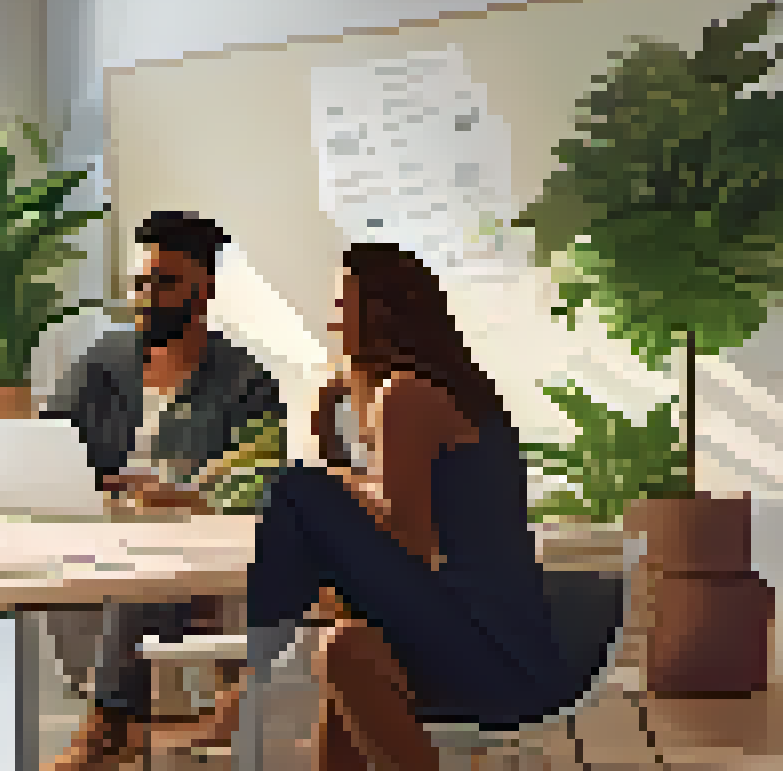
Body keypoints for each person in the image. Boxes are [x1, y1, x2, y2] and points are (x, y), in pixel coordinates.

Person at [160, 242, 587, 769]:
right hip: (507, 649)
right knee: (348, 648)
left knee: (298, 491)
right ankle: (257, 685)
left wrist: (333, 479)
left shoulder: (407, 394)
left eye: (343, 307)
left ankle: (255, 686)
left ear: (380, 315)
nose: (334, 322)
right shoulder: (445, 391)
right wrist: (331, 430)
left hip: (493, 652)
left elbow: (406, 539)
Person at [40, 211, 285, 771]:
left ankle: (105, 727)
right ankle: (118, 726)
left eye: (166, 282)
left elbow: (262, 485)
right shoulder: (99, 367)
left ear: (207, 287)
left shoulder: (247, 383)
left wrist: (188, 497)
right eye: (141, 283)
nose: (147, 296)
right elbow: (48, 445)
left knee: (148, 564)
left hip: (192, 547)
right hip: (94, 538)